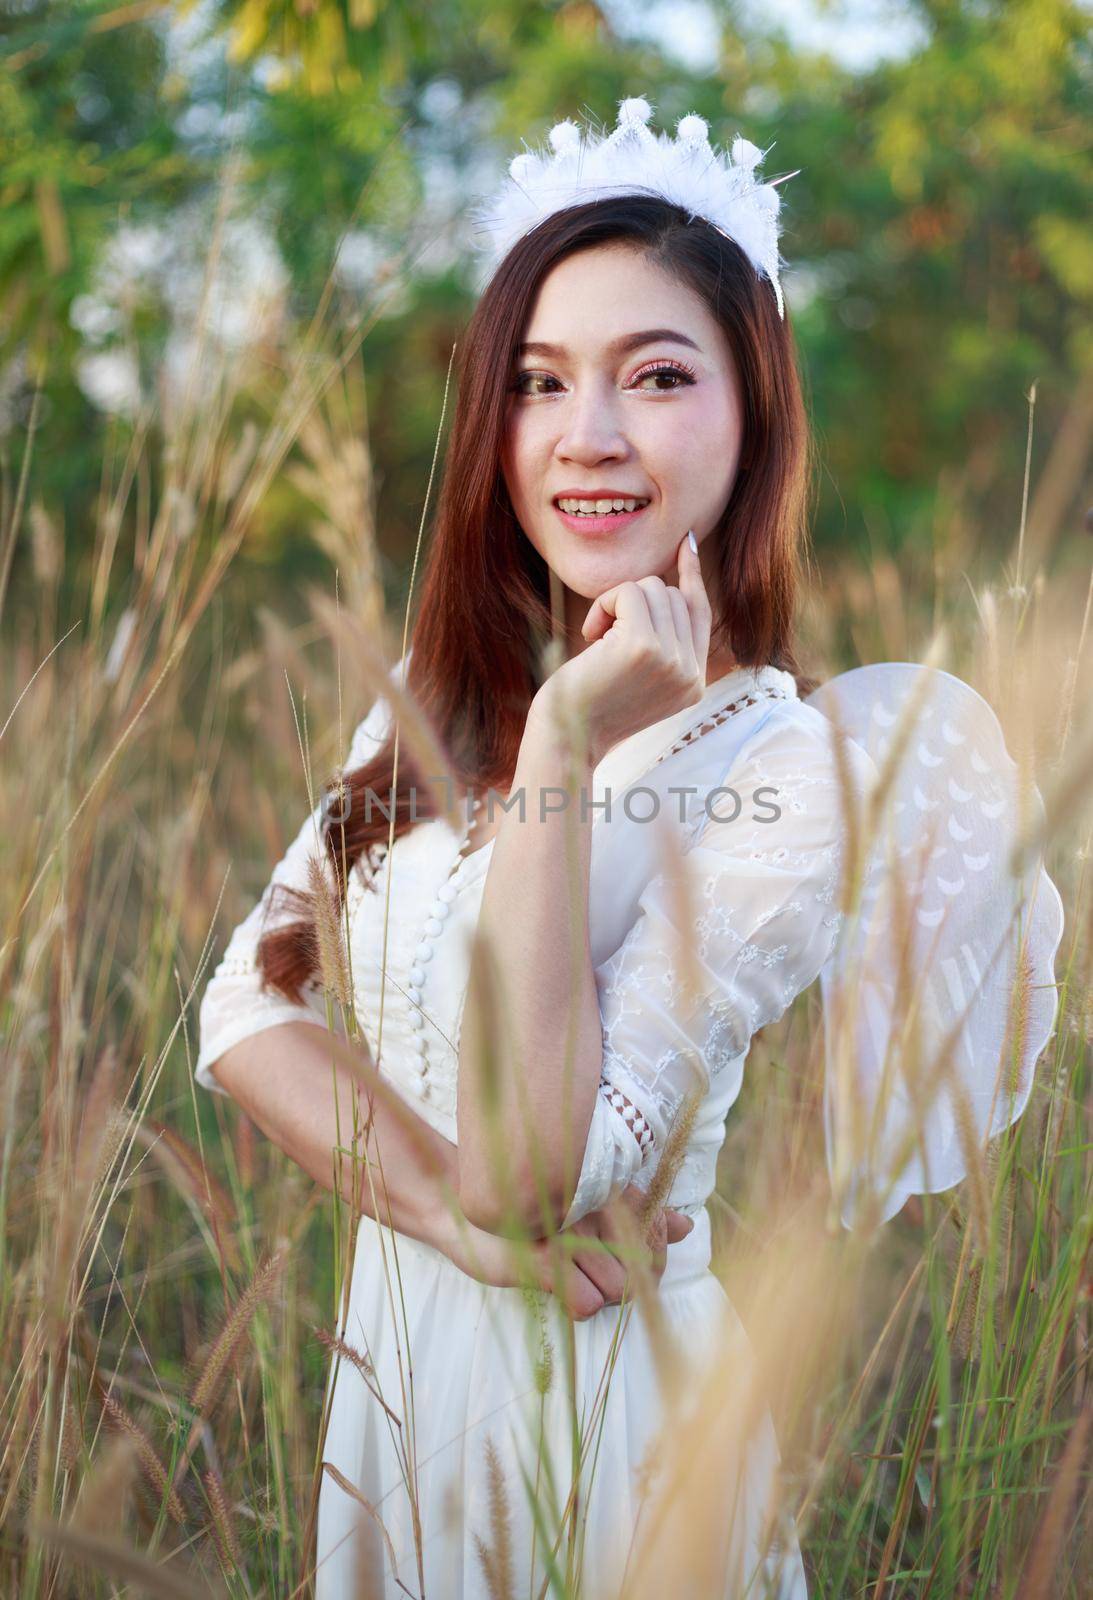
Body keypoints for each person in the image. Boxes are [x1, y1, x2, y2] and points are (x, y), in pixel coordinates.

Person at [193, 98, 1063, 1598]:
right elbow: (241, 1013)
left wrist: (561, 757)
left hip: (604, 1429)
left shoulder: (796, 771)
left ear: (754, 411)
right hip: (398, 1395)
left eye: (655, 376)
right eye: (538, 385)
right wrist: (448, 1230)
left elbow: (536, 1167)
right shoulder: (431, 705)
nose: (585, 438)